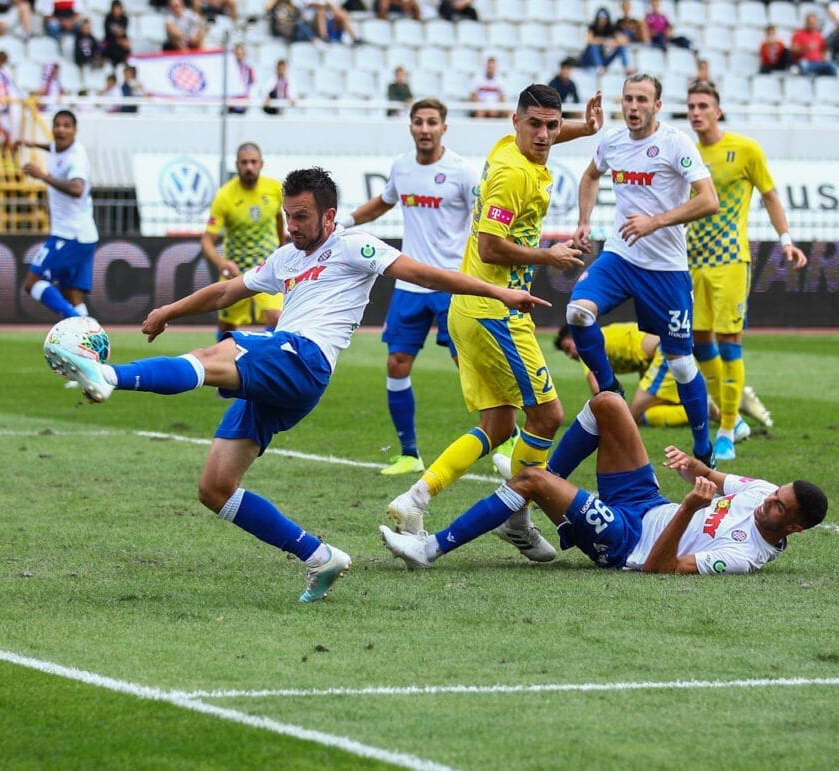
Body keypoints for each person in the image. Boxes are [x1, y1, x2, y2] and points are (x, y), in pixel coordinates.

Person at [43, 167, 550, 602]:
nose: (293, 226)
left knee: (215, 354)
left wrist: (497, 292)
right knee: (215, 488)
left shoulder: (353, 245)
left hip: (305, 358)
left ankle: (108, 375)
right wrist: (169, 311)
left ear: (329, 215)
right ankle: (320, 556)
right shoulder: (287, 257)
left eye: (302, 216)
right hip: (284, 374)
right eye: (288, 216)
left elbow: (425, 274)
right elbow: (226, 290)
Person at [386, 84, 604, 562]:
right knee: (547, 416)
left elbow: (547, 133)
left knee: (500, 424)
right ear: (515, 122)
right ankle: (515, 517)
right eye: (535, 124)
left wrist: (586, 129)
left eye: (552, 125)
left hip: (471, 306)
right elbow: (489, 247)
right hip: (495, 311)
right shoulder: (513, 174)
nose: (544, 135)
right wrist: (548, 255)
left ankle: (415, 498)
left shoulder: (511, 147)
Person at [380, 391, 828, 573]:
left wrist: (691, 507)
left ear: (793, 528)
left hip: (626, 541)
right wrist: (694, 467)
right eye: (776, 494)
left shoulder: (745, 556)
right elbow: (712, 477)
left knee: (530, 479)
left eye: (779, 507)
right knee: (609, 403)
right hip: (647, 502)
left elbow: (659, 568)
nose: (768, 501)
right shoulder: (762, 491)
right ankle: (524, 514)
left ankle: (428, 549)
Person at [568, 74, 719, 469]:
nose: (633, 107)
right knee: (578, 313)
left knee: (681, 363)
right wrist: (583, 221)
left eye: (641, 100)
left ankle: (704, 449)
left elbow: (709, 200)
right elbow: (590, 175)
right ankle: (610, 388)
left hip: (666, 268)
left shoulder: (675, 143)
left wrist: (656, 221)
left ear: (657, 106)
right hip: (621, 256)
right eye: (628, 99)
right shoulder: (613, 141)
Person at [339, 98, 476, 476]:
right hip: (410, 284)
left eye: (432, 122)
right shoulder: (402, 167)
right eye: (418, 122)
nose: (425, 129)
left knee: (467, 365)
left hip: (451, 284)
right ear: (411, 126)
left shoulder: (463, 171)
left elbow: (482, 218)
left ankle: (507, 435)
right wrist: (342, 223)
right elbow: (382, 203)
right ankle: (409, 453)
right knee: (396, 364)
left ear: (444, 127)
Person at [684, 83, 807, 461]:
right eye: (691, 106)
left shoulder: (745, 149)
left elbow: (769, 195)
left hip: (730, 260)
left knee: (729, 339)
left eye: (703, 106)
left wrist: (786, 239)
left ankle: (725, 432)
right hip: (692, 260)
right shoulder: (686, 152)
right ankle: (734, 418)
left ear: (718, 111)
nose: (696, 112)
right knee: (699, 342)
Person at [553, 322, 746, 435]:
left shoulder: (587, 344)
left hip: (665, 353)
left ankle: (709, 409)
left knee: (630, 418)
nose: (571, 355)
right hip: (661, 353)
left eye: (569, 348)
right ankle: (712, 408)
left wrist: (596, 422)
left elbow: (599, 392)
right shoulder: (596, 337)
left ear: (576, 338)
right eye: (566, 353)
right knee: (647, 414)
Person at [200, 144, 285, 341]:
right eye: (244, 162)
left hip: (267, 267)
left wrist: (282, 249)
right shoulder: (224, 196)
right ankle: (224, 357)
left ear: (261, 164)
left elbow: (280, 218)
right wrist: (222, 263)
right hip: (236, 270)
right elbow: (207, 241)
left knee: (276, 318)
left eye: (253, 162)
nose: (249, 167)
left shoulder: (275, 189)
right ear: (237, 165)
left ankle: (264, 358)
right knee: (227, 327)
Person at [20, 110, 98, 319]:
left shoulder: (76, 158)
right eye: (57, 125)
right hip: (85, 236)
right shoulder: (58, 147)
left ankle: (75, 323)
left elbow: (77, 188)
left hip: (70, 236)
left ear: (75, 131)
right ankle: (88, 332)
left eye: (67, 126)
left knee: (33, 283)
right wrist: (32, 144)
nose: (61, 129)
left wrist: (42, 175)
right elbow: (53, 148)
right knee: (72, 295)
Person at [583, 6, 633, 76]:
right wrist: (606, 41)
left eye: (604, 18)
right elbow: (590, 41)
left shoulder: (610, 29)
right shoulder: (592, 27)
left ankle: (626, 68)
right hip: (589, 59)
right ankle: (599, 67)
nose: (602, 20)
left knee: (621, 47)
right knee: (594, 46)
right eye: (600, 17)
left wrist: (613, 43)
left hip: (603, 59)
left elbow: (623, 41)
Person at [790, 12, 838, 77]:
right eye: (810, 23)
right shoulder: (798, 34)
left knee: (833, 66)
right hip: (805, 62)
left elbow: (824, 50)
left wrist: (823, 59)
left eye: (813, 23)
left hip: (818, 63)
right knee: (803, 65)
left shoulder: (819, 36)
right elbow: (794, 51)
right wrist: (806, 48)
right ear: (806, 22)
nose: (811, 25)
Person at [101, 0, 131, 69]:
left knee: (126, 45)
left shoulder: (124, 18)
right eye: (115, 9)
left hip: (120, 40)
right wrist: (117, 33)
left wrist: (120, 37)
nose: (117, 11)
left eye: (118, 9)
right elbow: (108, 33)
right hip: (110, 40)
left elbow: (122, 32)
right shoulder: (108, 18)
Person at [230, 42, 256, 115]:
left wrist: (248, 97)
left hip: (243, 101)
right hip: (230, 102)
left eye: (240, 53)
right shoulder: (229, 67)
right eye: (236, 53)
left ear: (244, 54)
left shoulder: (249, 68)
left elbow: (252, 84)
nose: (238, 55)